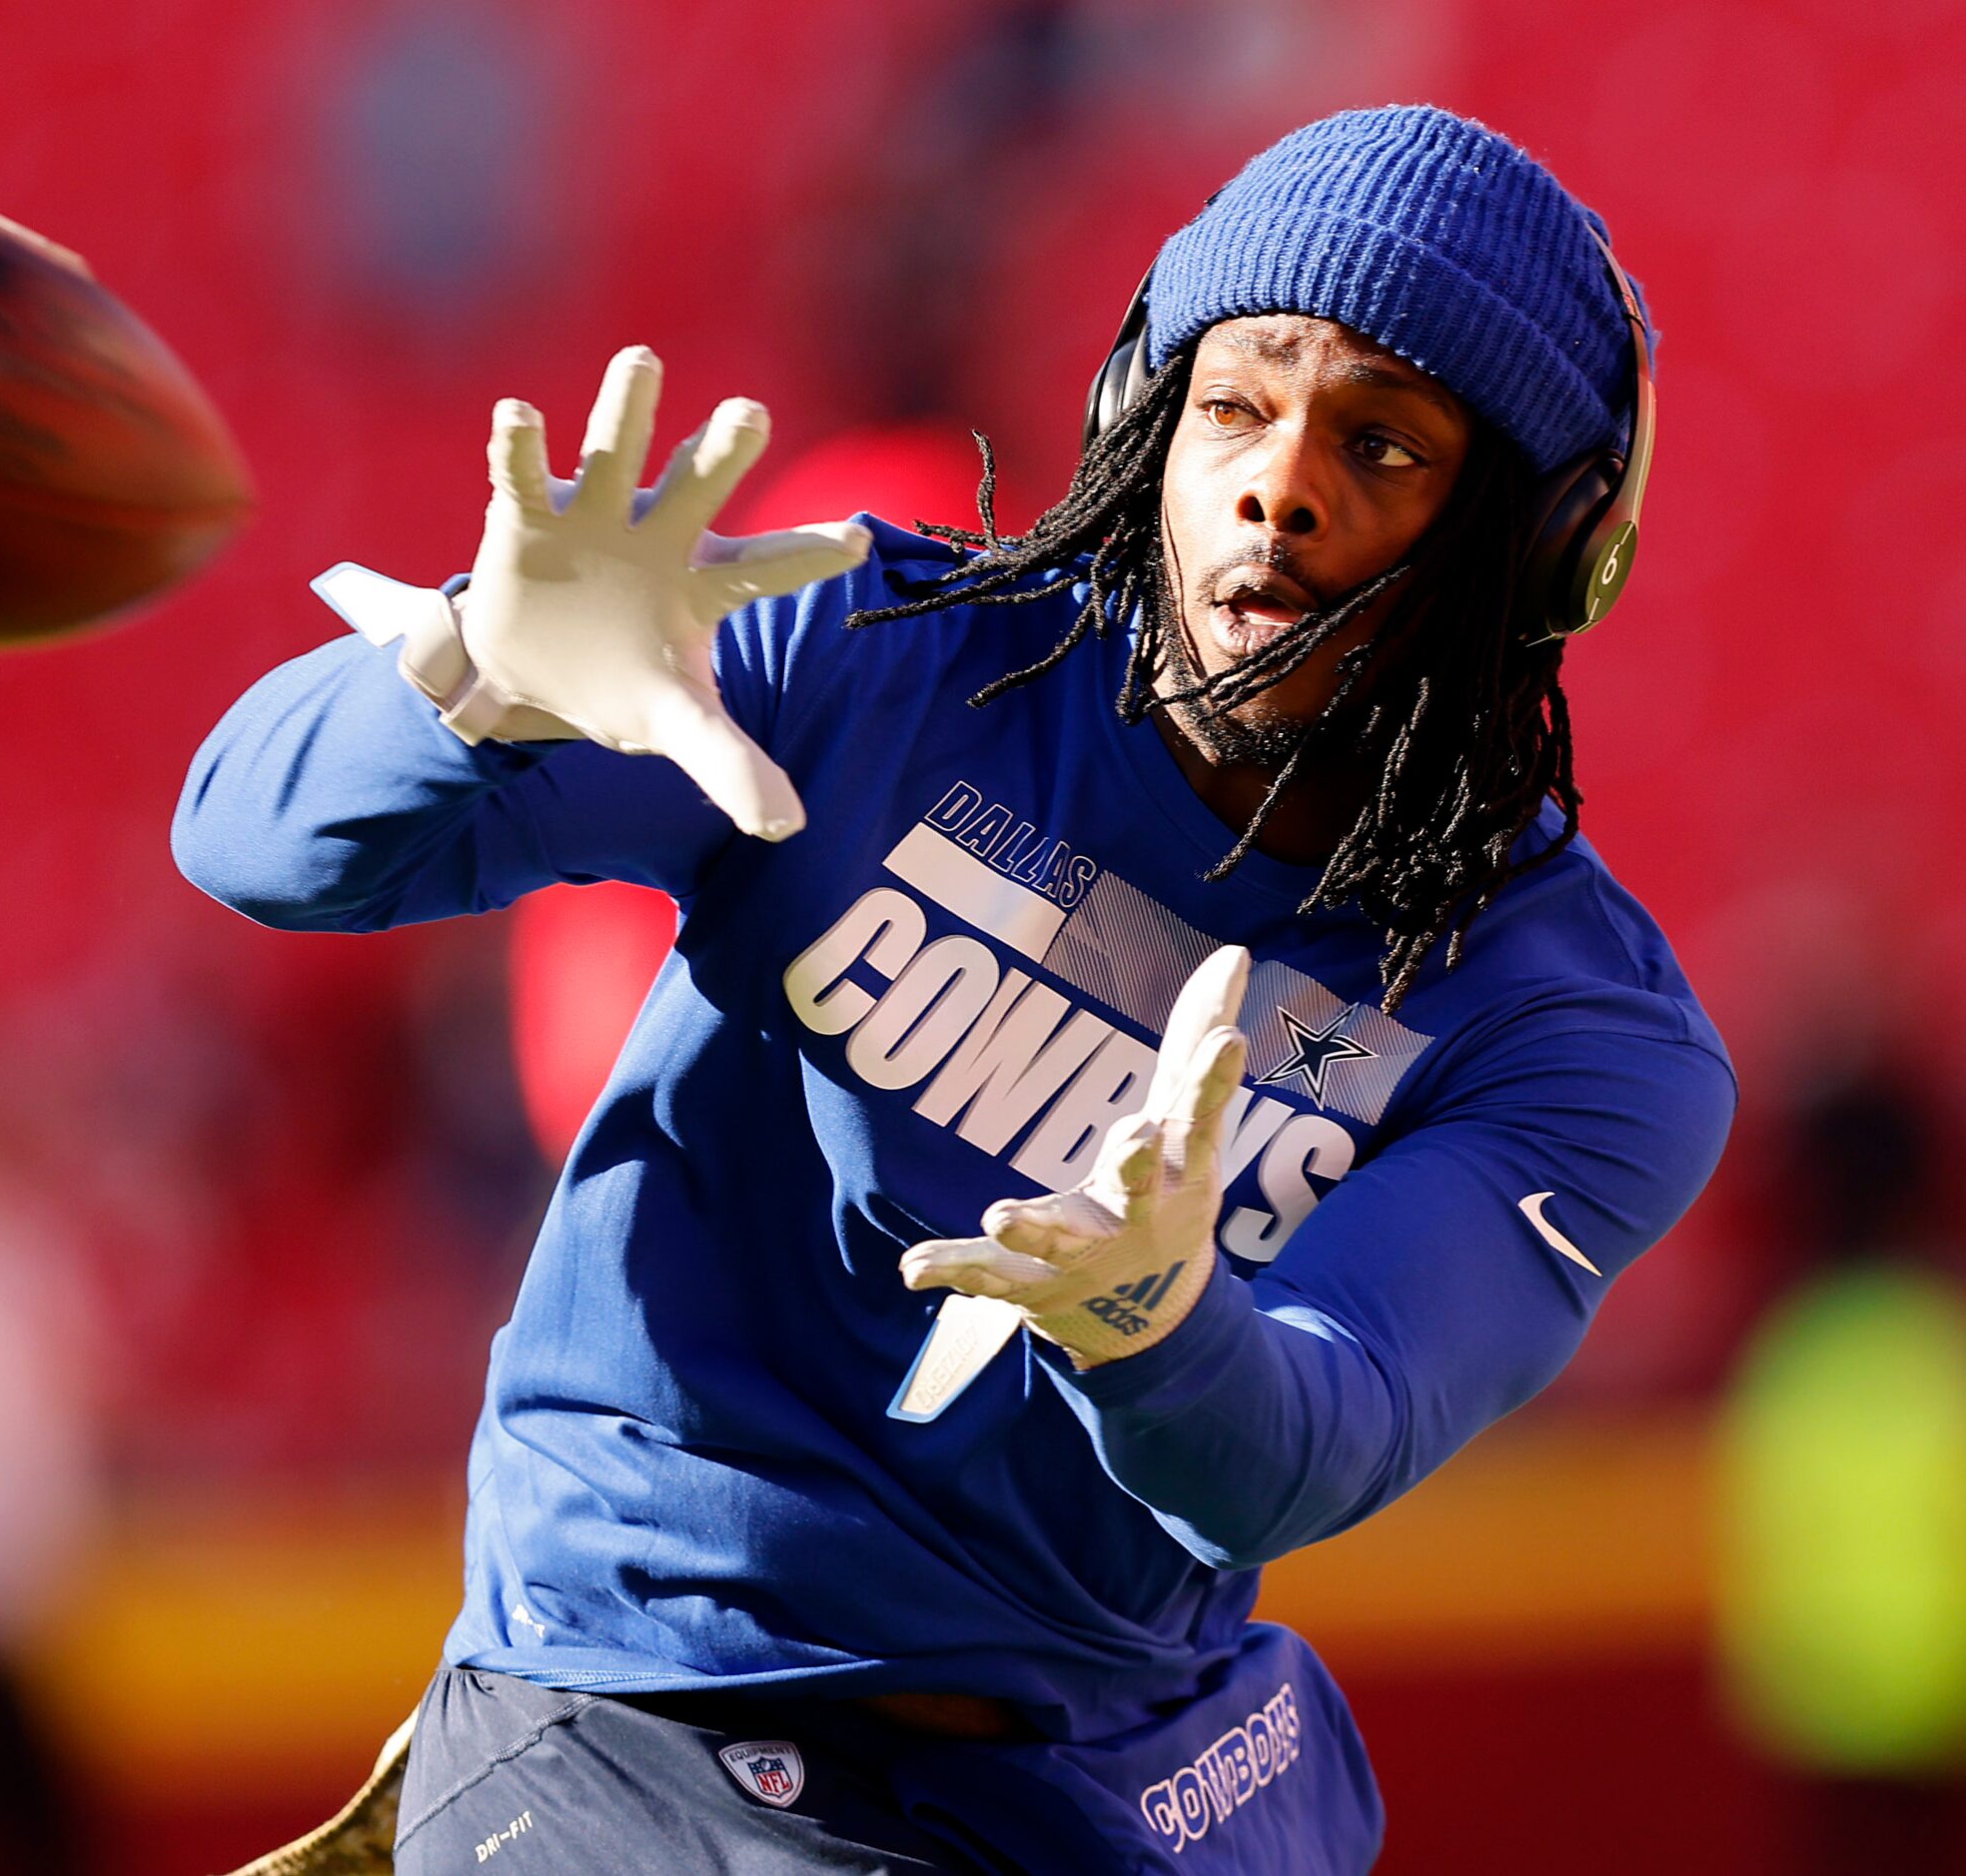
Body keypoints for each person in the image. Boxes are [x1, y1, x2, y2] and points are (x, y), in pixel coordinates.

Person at [177, 106, 1734, 1874]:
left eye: (1382, 440)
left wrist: (1156, 1331)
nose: (1278, 479)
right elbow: (257, 839)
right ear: (1143, 415)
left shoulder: (1576, 1028)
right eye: (1235, 401)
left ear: (1538, 545)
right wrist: (468, 685)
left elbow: (1304, 1441)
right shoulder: (867, 655)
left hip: (1114, 1750)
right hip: (659, 1689)